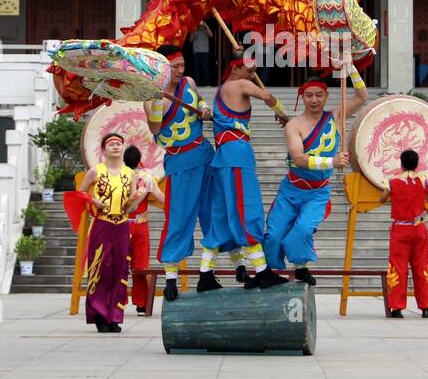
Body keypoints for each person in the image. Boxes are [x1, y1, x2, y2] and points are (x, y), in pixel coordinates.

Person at [256, 57, 369, 287]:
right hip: (291, 190)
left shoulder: (335, 117)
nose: (314, 100)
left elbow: (362, 96)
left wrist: (351, 67)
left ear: (326, 96)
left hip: (317, 193)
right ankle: (271, 272)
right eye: (309, 95)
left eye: (319, 95)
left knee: (304, 229)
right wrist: (332, 161)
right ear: (302, 97)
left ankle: (301, 267)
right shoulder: (293, 126)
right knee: (274, 235)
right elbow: (298, 159)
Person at [198, 52, 287, 291]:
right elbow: (267, 95)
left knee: (222, 214)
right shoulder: (240, 83)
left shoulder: (220, 91)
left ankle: (205, 274)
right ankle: (262, 271)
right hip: (236, 154)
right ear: (235, 68)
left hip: (225, 156)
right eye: (248, 69)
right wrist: (282, 114)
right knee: (246, 208)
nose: (252, 74)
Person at [145, 43, 214, 302]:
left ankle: (208, 272)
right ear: (163, 68)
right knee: (178, 217)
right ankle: (171, 278)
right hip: (180, 163)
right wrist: (152, 103)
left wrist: (205, 108)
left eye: (182, 65)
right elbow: (153, 130)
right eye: (174, 67)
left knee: (213, 211)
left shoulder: (189, 82)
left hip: (205, 155)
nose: (179, 70)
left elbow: (201, 100)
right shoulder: (155, 98)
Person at [79, 133, 148, 332]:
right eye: (112, 144)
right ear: (104, 149)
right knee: (100, 269)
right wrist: (93, 201)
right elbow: (81, 194)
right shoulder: (95, 171)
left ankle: (115, 316)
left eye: (119, 144)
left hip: (122, 225)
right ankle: (99, 315)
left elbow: (131, 205)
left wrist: (136, 198)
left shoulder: (130, 174)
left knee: (119, 269)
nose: (116, 147)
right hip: (102, 224)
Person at [378, 149, 428, 318]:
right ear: (417, 164)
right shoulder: (424, 180)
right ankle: (426, 308)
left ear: (401, 164)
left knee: (398, 267)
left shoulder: (392, 182)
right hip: (418, 227)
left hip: (400, 229)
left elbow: (382, 199)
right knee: (421, 266)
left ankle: (397, 308)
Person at [123, 144, 164, 316]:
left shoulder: (118, 176)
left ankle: (118, 300)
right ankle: (141, 303)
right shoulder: (147, 177)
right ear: (140, 160)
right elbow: (162, 198)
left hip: (121, 224)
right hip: (140, 225)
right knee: (140, 265)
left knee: (120, 264)